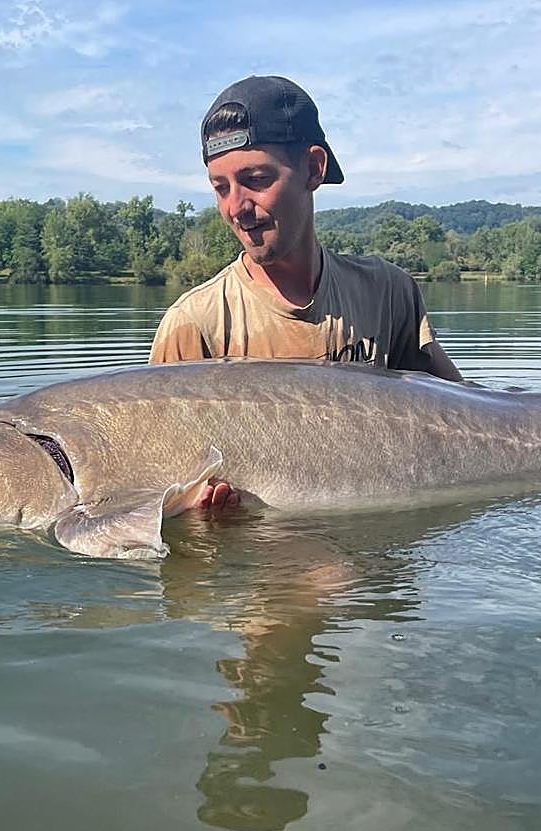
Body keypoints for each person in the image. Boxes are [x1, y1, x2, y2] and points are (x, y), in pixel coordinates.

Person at [149, 75, 468, 510]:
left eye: (256, 179)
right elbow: (157, 491)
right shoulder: (194, 324)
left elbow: (472, 420)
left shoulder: (388, 292)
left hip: (377, 558)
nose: (236, 208)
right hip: (257, 565)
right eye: (220, 188)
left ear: (313, 169)